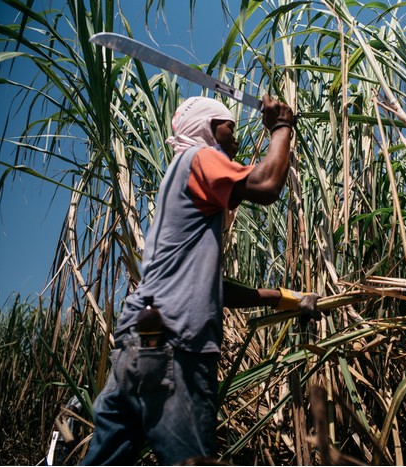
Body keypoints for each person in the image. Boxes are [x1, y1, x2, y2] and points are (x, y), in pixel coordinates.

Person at [81, 95, 322, 465]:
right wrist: (282, 126)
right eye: (229, 127)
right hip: (174, 349)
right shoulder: (201, 157)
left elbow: (214, 290)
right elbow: (268, 185)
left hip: (135, 349)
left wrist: (287, 298)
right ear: (207, 129)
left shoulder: (179, 187)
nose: (236, 137)